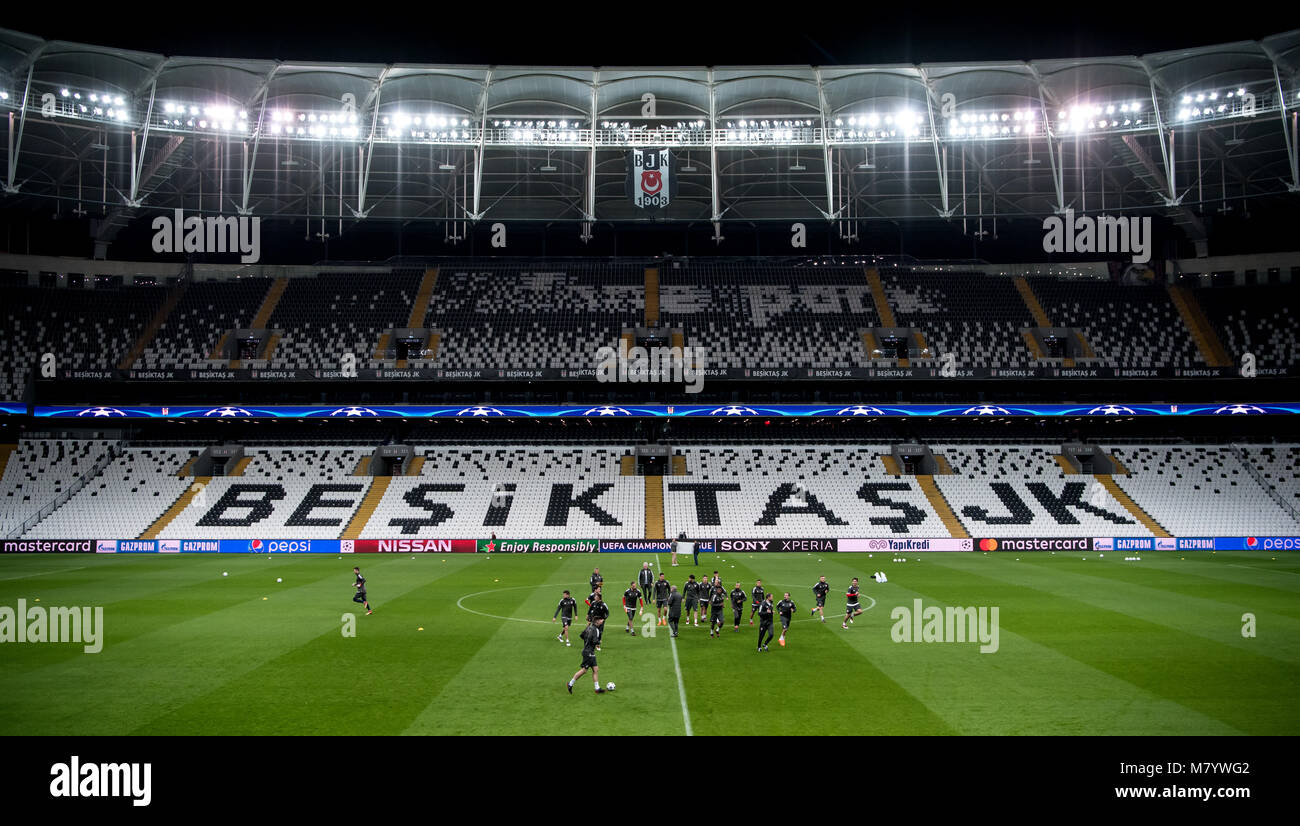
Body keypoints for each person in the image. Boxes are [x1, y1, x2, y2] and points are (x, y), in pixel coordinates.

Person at [567, 619, 606, 694]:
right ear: (597, 622)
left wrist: (587, 640)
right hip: (588, 652)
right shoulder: (595, 630)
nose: (602, 621)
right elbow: (595, 641)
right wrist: (599, 642)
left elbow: (581, 636)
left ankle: (597, 688)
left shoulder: (588, 627)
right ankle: (570, 684)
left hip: (589, 651)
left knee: (595, 669)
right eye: (601, 620)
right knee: (584, 670)